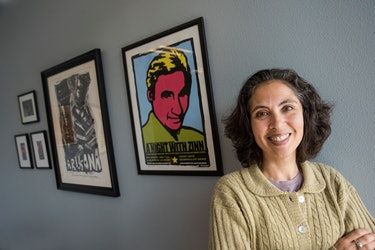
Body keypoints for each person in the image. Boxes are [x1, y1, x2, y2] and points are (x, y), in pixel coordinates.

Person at [209, 68, 375, 249]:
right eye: (262, 113)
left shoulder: (331, 180)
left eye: (287, 108)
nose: (277, 124)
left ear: (305, 114)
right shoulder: (231, 193)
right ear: (249, 125)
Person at [142, 47, 204, 144]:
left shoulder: (199, 138)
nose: (178, 110)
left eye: (182, 94)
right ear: (151, 96)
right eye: (167, 96)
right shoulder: (143, 138)